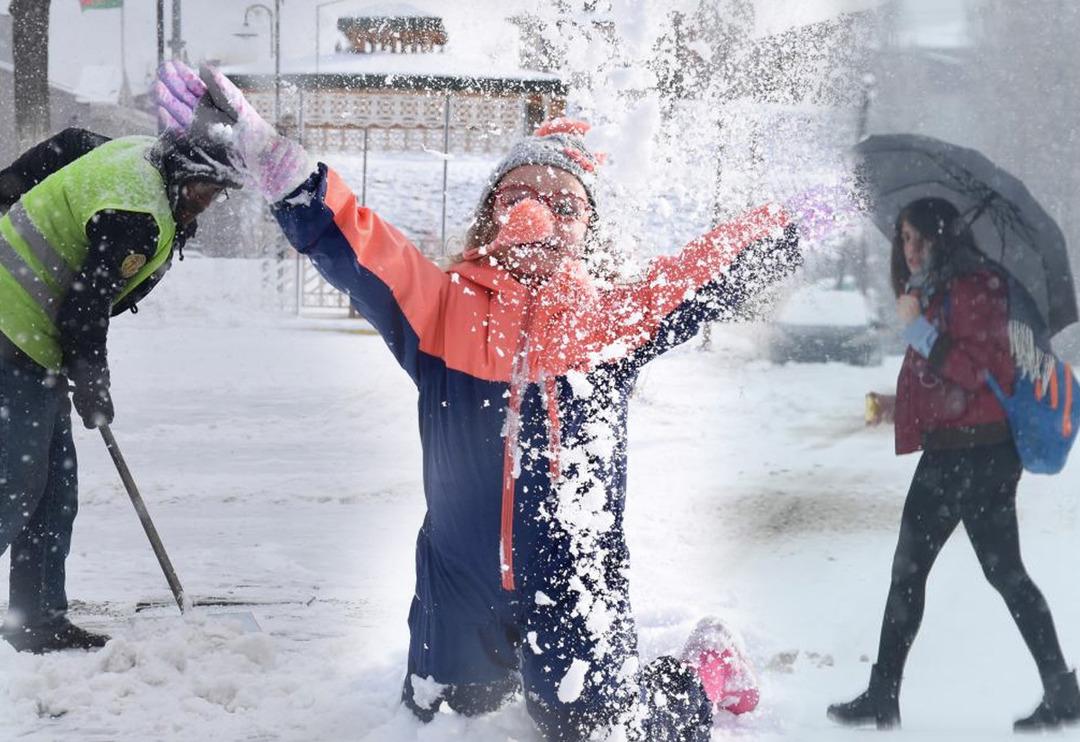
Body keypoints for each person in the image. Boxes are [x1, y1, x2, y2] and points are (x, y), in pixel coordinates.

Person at [156, 60, 845, 740]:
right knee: (445, 712)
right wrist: (283, 170)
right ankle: (496, 668)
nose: (537, 214)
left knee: (598, 729)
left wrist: (790, 224)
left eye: (564, 204)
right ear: (490, 216)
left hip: (576, 585)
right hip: (460, 582)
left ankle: (704, 669)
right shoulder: (438, 307)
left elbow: (702, 271)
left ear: (588, 229)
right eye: (517, 197)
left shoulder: (610, 322)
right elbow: (360, 246)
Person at [826, 197, 1080, 732]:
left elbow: (975, 369)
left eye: (920, 238)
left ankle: (885, 695)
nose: (910, 249)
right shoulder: (939, 289)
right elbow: (951, 379)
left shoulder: (976, 286)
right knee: (980, 573)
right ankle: (1061, 692)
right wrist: (900, 402)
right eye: (905, 238)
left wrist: (919, 330)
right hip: (959, 450)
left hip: (975, 455)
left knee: (937, 573)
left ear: (944, 237)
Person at [0, 125, 243, 653]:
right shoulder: (137, 218)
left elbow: (72, 142)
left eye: (217, 192)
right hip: (11, 330)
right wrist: (93, 385)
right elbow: (83, 309)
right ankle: (36, 616)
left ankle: (36, 619)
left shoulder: (137, 155)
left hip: (33, 339)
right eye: (203, 188)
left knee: (53, 491)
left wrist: (8, 186)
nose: (207, 201)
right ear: (179, 173)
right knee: (14, 483)